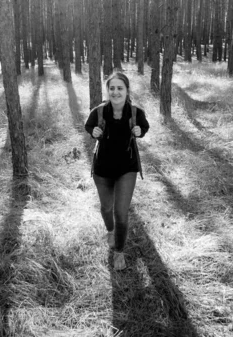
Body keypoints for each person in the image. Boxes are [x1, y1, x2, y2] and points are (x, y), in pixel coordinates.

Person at [84, 72, 150, 270]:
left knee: (120, 212)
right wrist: (93, 131)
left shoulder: (136, 113)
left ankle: (119, 252)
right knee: (106, 208)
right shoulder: (99, 112)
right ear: (108, 91)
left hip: (126, 169)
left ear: (127, 91)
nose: (115, 92)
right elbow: (88, 126)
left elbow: (145, 127)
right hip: (102, 170)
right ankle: (110, 230)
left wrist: (140, 131)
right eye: (112, 88)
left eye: (120, 88)